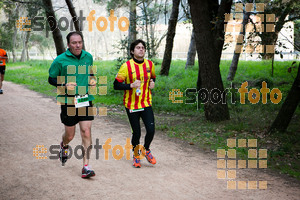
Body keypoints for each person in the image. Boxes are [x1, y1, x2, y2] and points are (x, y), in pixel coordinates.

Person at [48, 31, 96, 178]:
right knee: (70, 135)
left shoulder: (88, 57)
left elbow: (91, 73)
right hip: (68, 101)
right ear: (68, 44)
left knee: (86, 132)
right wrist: (64, 83)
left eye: (80, 42)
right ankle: (64, 145)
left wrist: (92, 80)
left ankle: (86, 167)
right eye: (74, 43)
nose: (77, 45)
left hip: (85, 99)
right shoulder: (60, 60)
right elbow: (51, 79)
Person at [114, 39, 157, 168]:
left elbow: (153, 77)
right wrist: (130, 85)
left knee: (151, 130)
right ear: (132, 51)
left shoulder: (150, 64)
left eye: (143, 47)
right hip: (131, 105)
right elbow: (116, 85)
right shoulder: (126, 66)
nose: (141, 49)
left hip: (146, 103)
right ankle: (136, 155)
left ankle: (146, 149)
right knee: (136, 133)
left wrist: (152, 83)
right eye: (138, 47)